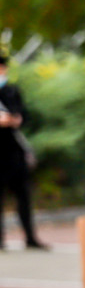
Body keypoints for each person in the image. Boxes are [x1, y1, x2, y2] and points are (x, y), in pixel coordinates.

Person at [0, 54, 46, 250]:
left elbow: (24, 114)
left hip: (14, 151)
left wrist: (16, 119)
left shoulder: (11, 91)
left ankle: (30, 237)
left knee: (23, 196)